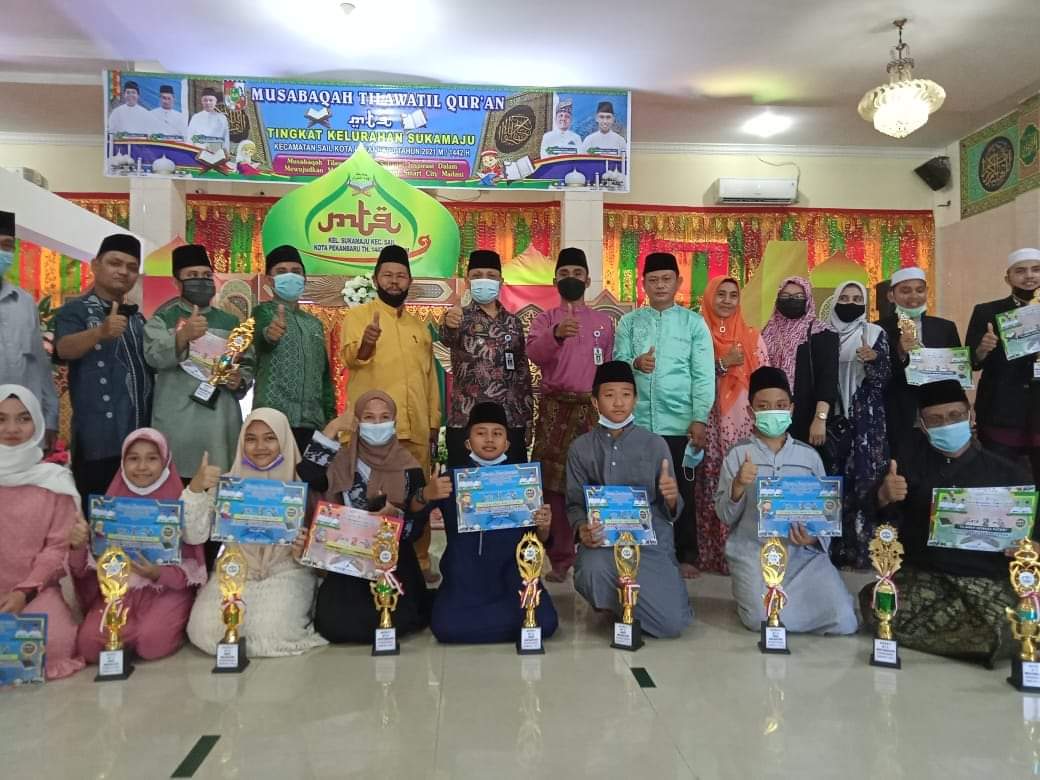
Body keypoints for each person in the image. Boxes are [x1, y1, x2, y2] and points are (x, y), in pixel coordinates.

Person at [864, 380, 1031, 666]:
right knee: (877, 602)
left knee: (1020, 617)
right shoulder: (906, 469)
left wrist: (1032, 545)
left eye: (955, 416)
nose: (947, 425)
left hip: (987, 579)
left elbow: (1032, 530)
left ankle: (988, 637)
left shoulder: (1009, 473)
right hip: (927, 576)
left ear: (971, 415)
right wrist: (883, 496)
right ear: (923, 426)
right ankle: (982, 640)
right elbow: (880, 526)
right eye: (935, 420)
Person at [714, 367, 858, 635]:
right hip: (754, 553)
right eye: (763, 406)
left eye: (780, 405)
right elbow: (725, 515)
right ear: (750, 412)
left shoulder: (809, 457)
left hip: (803, 557)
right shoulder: (737, 455)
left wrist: (813, 538)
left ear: (791, 409)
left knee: (844, 620)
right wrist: (738, 486)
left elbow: (826, 514)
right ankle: (752, 600)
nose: (773, 411)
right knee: (762, 619)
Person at [295, 391, 445, 644]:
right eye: (369, 417)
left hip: (393, 558)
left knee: (401, 620)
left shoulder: (409, 467)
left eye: (384, 417)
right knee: (334, 624)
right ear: (357, 422)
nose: (377, 424)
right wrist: (333, 428)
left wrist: (395, 517)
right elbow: (309, 473)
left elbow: (416, 530)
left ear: (395, 422)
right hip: (348, 556)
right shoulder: (341, 460)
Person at [183, 408, 326, 657]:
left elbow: (325, 550)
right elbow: (194, 535)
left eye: (270, 438)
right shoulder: (228, 484)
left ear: (284, 440)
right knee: (204, 631)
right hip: (235, 569)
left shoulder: (303, 484)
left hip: (287, 569)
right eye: (251, 439)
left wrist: (303, 551)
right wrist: (195, 489)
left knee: (271, 632)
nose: (260, 447)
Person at [566, 360, 692, 638]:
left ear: (635, 399)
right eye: (609, 395)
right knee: (591, 572)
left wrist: (672, 498)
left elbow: (670, 510)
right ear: (595, 401)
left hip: (648, 544)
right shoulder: (580, 448)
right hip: (602, 543)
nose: (618, 403)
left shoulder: (655, 444)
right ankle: (616, 605)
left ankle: (634, 602)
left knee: (671, 624)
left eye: (626, 394)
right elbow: (574, 504)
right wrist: (581, 528)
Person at [339, 244, 441, 579]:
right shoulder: (357, 317)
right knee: (371, 498)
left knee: (417, 497)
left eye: (400, 276)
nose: (394, 281)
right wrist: (368, 341)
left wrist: (432, 423)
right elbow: (353, 358)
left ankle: (419, 563)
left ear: (409, 281)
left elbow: (430, 378)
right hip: (374, 434)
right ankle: (367, 563)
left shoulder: (419, 327)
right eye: (388, 275)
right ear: (376, 279)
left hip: (416, 430)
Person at [614, 252, 715, 577]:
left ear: (678, 282)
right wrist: (634, 363)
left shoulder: (693, 323)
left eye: (666, 279)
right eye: (653, 280)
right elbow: (617, 363)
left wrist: (699, 417)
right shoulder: (630, 322)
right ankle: (636, 547)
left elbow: (703, 374)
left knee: (681, 489)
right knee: (638, 487)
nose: (660, 285)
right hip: (638, 422)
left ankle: (686, 554)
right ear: (643, 284)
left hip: (680, 422)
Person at [68, 428, 206, 664]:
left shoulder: (176, 503)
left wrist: (157, 573)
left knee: (152, 644)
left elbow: (190, 574)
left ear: (165, 461)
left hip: (165, 591)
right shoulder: (110, 506)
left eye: (152, 458)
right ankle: (127, 631)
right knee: (89, 646)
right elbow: (84, 571)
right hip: (120, 592)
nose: (142, 467)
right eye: (133, 458)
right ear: (123, 462)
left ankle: (143, 631)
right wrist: (78, 545)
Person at [431, 402, 558, 644]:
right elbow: (413, 518)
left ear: (507, 444)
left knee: (545, 622)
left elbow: (537, 539)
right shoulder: (451, 480)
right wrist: (425, 494)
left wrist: (544, 527)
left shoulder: (522, 482)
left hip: (512, 575)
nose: (489, 440)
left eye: (497, 433)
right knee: (445, 627)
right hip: (466, 577)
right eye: (481, 433)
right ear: (468, 442)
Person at [527, 247, 615, 582]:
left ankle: (594, 547)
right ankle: (560, 557)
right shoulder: (544, 320)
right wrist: (556, 334)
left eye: (577, 274)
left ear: (588, 280)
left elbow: (608, 367)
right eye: (564, 274)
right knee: (553, 484)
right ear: (555, 281)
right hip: (554, 409)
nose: (571, 279)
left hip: (590, 410)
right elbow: (534, 354)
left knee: (592, 479)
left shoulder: (603, 323)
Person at [55, 234, 153, 513]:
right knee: (98, 518)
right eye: (115, 263)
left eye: (131, 267)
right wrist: (99, 332)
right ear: (95, 265)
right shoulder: (74, 311)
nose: (123, 271)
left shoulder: (138, 318)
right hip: (98, 440)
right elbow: (64, 348)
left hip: (139, 441)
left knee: (137, 519)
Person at [144, 244, 254, 480]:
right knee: (176, 487)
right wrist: (182, 336)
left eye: (206, 275)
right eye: (192, 275)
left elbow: (247, 363)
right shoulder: (163, 319)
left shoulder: (230, 322)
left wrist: (240, 380)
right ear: (177, 282)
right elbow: (153, 357)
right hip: (177, 423)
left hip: (220, 424)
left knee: (218, 486)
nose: (201, 281)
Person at [0, 385, 85, 680]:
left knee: (54, 643)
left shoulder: (53, 481)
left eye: (23, 419)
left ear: (37, 422)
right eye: (1, 419)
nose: (12, 429)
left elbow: (57, 548)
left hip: (35, 590)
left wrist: (24, 592)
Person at [694, 276, 768, 574]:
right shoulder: (697, 334)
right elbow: (690, 375)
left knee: (742, 480)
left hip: (742, 422)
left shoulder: (752, 336)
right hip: (708, 420)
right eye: (720, 294)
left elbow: (763, 381)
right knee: (712, 482)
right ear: (709, 297)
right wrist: (723, 364)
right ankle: (713, 553)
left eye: (732, 295)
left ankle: (744, 553)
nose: (726, 300)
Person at [441, 250, 533, 467]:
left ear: (501, 281)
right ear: (467, 281)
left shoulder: (513, 322)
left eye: (491, 276)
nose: (484, 280)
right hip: (466, 421)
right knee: (465, 485)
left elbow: (522, 373)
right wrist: (449, 323)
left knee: (510, 484)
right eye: (477, 275)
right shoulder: (458, 317)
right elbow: (447, 337)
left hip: (509, 422)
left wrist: (528, 420)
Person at [824, 280, 891, 569]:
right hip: (830, 419)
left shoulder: (874, 333)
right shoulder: (823, 333)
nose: (850, 303)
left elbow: (884, 379)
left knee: (864, 482)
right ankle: (834, 551)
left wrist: (874, 360)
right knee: (833, 482)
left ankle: (863, 551)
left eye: (856, 298)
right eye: (844, 298)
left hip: (866, 421)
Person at [966, 247, 1040, 487]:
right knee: (999, 481)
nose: (1029, 276)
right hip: (1001, 410)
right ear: (1008, 278)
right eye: (1021, 271)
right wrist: (982, 348)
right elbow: (971, 363)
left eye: (1036, 269)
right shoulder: (987, 311)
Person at [252, 245, 335, 454]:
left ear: (304, 279)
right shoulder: (261, 313)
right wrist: (269, 335)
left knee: (311, 475)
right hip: (272, 423)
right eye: (281, 271)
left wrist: (330, 419)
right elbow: (260, 340)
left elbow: (324, 376)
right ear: (269, 280)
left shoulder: (314, 324)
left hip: (312, 424)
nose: (290, 276)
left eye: (296, 271)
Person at [876, 266, 960, 455]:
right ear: (891, 296)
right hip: (896, 415)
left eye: (919, 290)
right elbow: (876, 376)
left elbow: (956, 374)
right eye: (905, 291)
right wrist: (900, 353)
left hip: (938, 414)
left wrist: (962, 407)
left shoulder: (945, 327)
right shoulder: (878, 329)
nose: (914, 296)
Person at [760, 276, 839, 455]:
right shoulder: (766, 333)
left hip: (808, 419)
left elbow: (827, 381)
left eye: (798, 297)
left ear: (808, 299)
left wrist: (820, 419)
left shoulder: (823, 333)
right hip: (773, 417)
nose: (791, 301)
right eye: (785, 296)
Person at [0, 210, 59, 448]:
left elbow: (39, 366)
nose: (1, 252)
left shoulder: (23, 302)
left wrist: (51, 417)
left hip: (22, 430)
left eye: (6, 246)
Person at [186, 87, 230, 152]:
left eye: (211, 100)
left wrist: (226, 153)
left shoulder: (222, 118)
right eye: (205, 100)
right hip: (198, 153)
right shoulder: (195, 117)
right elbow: (189, 138)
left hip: (217, 153)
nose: (208, 103)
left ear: (215, 101)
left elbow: (226, 139)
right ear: (202, 101)